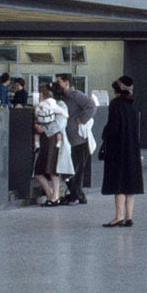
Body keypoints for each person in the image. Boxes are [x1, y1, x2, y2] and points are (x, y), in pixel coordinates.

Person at [100, 76, 143, 227]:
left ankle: (118, 216)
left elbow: (113, 127)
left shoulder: (115, 104)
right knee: (130, 182)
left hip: (118, 148)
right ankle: (129, 216)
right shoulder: (133, 104)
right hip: (133, 148)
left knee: (118, 181)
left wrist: (104, 135)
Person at [56, 73, 96, 204]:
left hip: (78, 139)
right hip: (71, 138)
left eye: (59, 82)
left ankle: (75, 195)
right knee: (74, 167)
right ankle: (78, 194)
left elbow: (91, 105)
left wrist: (82, 119)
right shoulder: (64, 97)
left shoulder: (75, 95)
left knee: (75, 167)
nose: (57, 85)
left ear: (67, 83)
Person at [31, 84, 68, 206]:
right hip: (47, 140)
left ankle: (53, 196)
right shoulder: (47, 106)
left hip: (51, 140)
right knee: (41, 170)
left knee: (51, 168)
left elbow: (60, 123)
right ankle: (52, 195)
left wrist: (44, 129)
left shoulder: (60, 105)